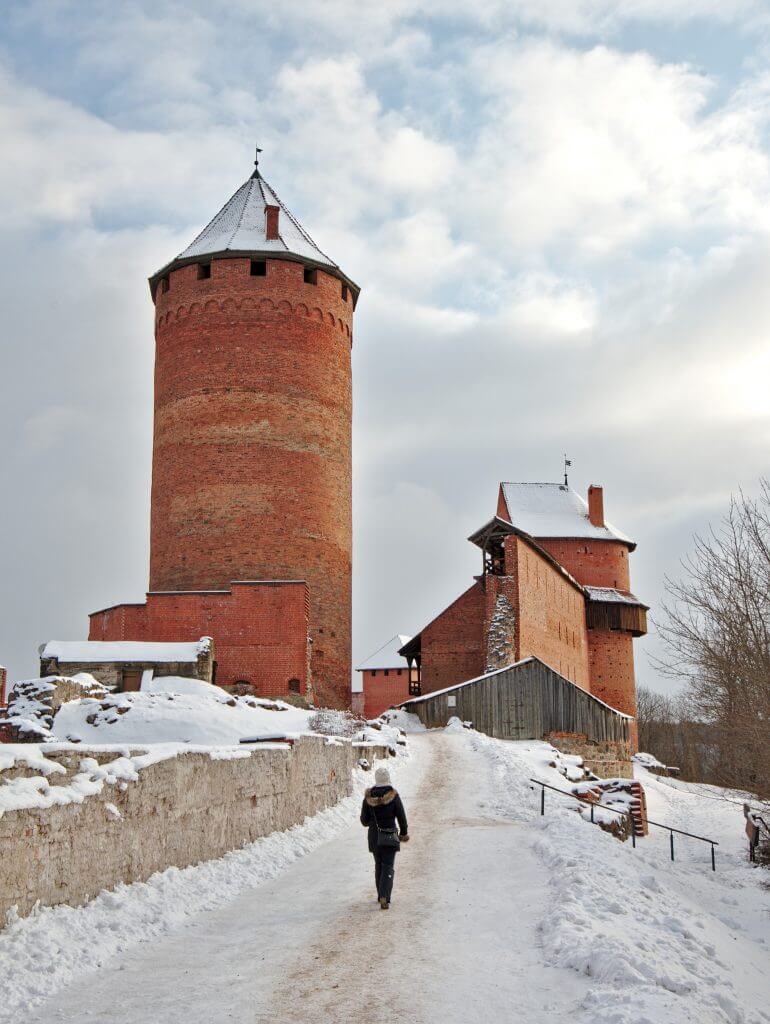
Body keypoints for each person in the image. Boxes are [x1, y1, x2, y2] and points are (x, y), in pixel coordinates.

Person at [360, 766, 409, 909]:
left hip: (374, 836)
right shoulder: (393, 796)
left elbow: (364, 820)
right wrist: (403, 833)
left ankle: (380, 894)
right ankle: (384, 896)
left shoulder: (368, 798)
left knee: (379, 865)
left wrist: (373, 823)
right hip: (389, 836)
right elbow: (401, 816)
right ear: (388, 779)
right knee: (388, 866)